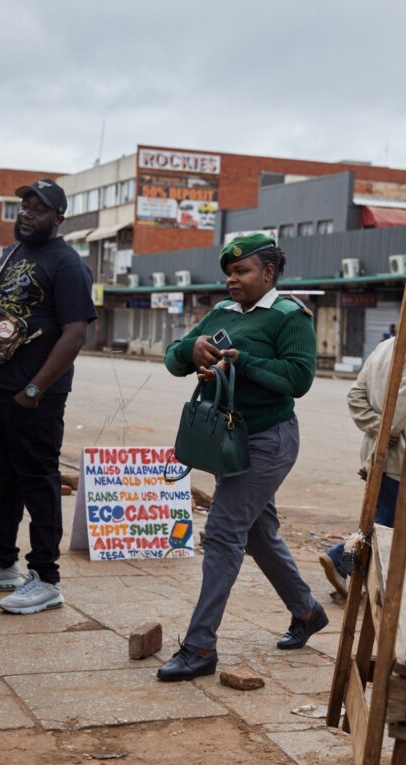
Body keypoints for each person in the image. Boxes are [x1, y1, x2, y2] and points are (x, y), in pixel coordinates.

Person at [156, 233, 326, 683]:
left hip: (268, 440)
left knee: (223, 535)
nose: (232, 279)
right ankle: (307, 612)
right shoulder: (221, 313)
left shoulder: (289, 317)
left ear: (267, 273)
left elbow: (298, 378)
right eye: (229, 272)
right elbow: (174, 359)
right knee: (257, 534)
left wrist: (241, 359)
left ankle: (199, 646)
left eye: (241, 271)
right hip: (230, 438)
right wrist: (191, 350)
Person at [0, 179, 96, 615]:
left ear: (59, 217)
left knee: (39, 479)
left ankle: (46, 578)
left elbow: (75, 333)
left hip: (35, 395)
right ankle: (1, 563)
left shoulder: (68, 263)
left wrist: (35, 389)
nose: (27, 214)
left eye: (38, 208)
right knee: (4, 476)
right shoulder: (10, 254)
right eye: (24, 206)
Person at [319, 295, 406, 598]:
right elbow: (401, 412)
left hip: (377, 450)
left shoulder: (385, 346)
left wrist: (375, 430)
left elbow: (356, 397)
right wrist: (383, 435)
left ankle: (359, 576)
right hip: (397, 455)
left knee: (382, 521)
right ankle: (345, 559)